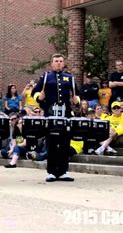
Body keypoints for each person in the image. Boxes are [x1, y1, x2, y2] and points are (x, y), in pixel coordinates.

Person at [32, 53, 79, 182]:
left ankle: (63, 171)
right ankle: (51, 172)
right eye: (56, 61)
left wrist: (76, 100)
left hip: (65, 115)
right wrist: (39, 97)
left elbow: (77, 95)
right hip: (51, 114)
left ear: (64, 63)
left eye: (60, 61)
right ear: (51, 63)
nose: (58, 63)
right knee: (52, 143)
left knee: (64, 143)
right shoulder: (46, 77)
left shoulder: (69, 78)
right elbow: (34, 92)